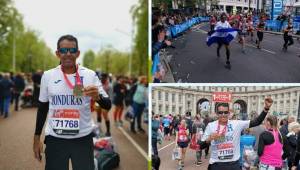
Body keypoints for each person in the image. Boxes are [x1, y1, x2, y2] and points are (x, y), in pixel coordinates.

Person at [33, 35, 111, 170]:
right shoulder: (48, 76)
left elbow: (108, 104)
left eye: (72, 50)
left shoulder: (90, 75)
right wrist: (36, 137)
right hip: (55, 139)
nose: (68, 54)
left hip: (82, 139)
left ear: (78, 53)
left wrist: (97, 97)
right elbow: (42, 108)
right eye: (63, 51)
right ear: (57, 53)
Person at [200, 98, 273, 170]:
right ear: (217, 113)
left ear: (228, 113)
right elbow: (200, 146)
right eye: (220, 112)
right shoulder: (211, 125)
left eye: (225, 112)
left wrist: (266, 109)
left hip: (233, 165)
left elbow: (257, 122)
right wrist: (209, 139)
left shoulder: (236, 123)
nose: (223, 114)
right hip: (216, 164)